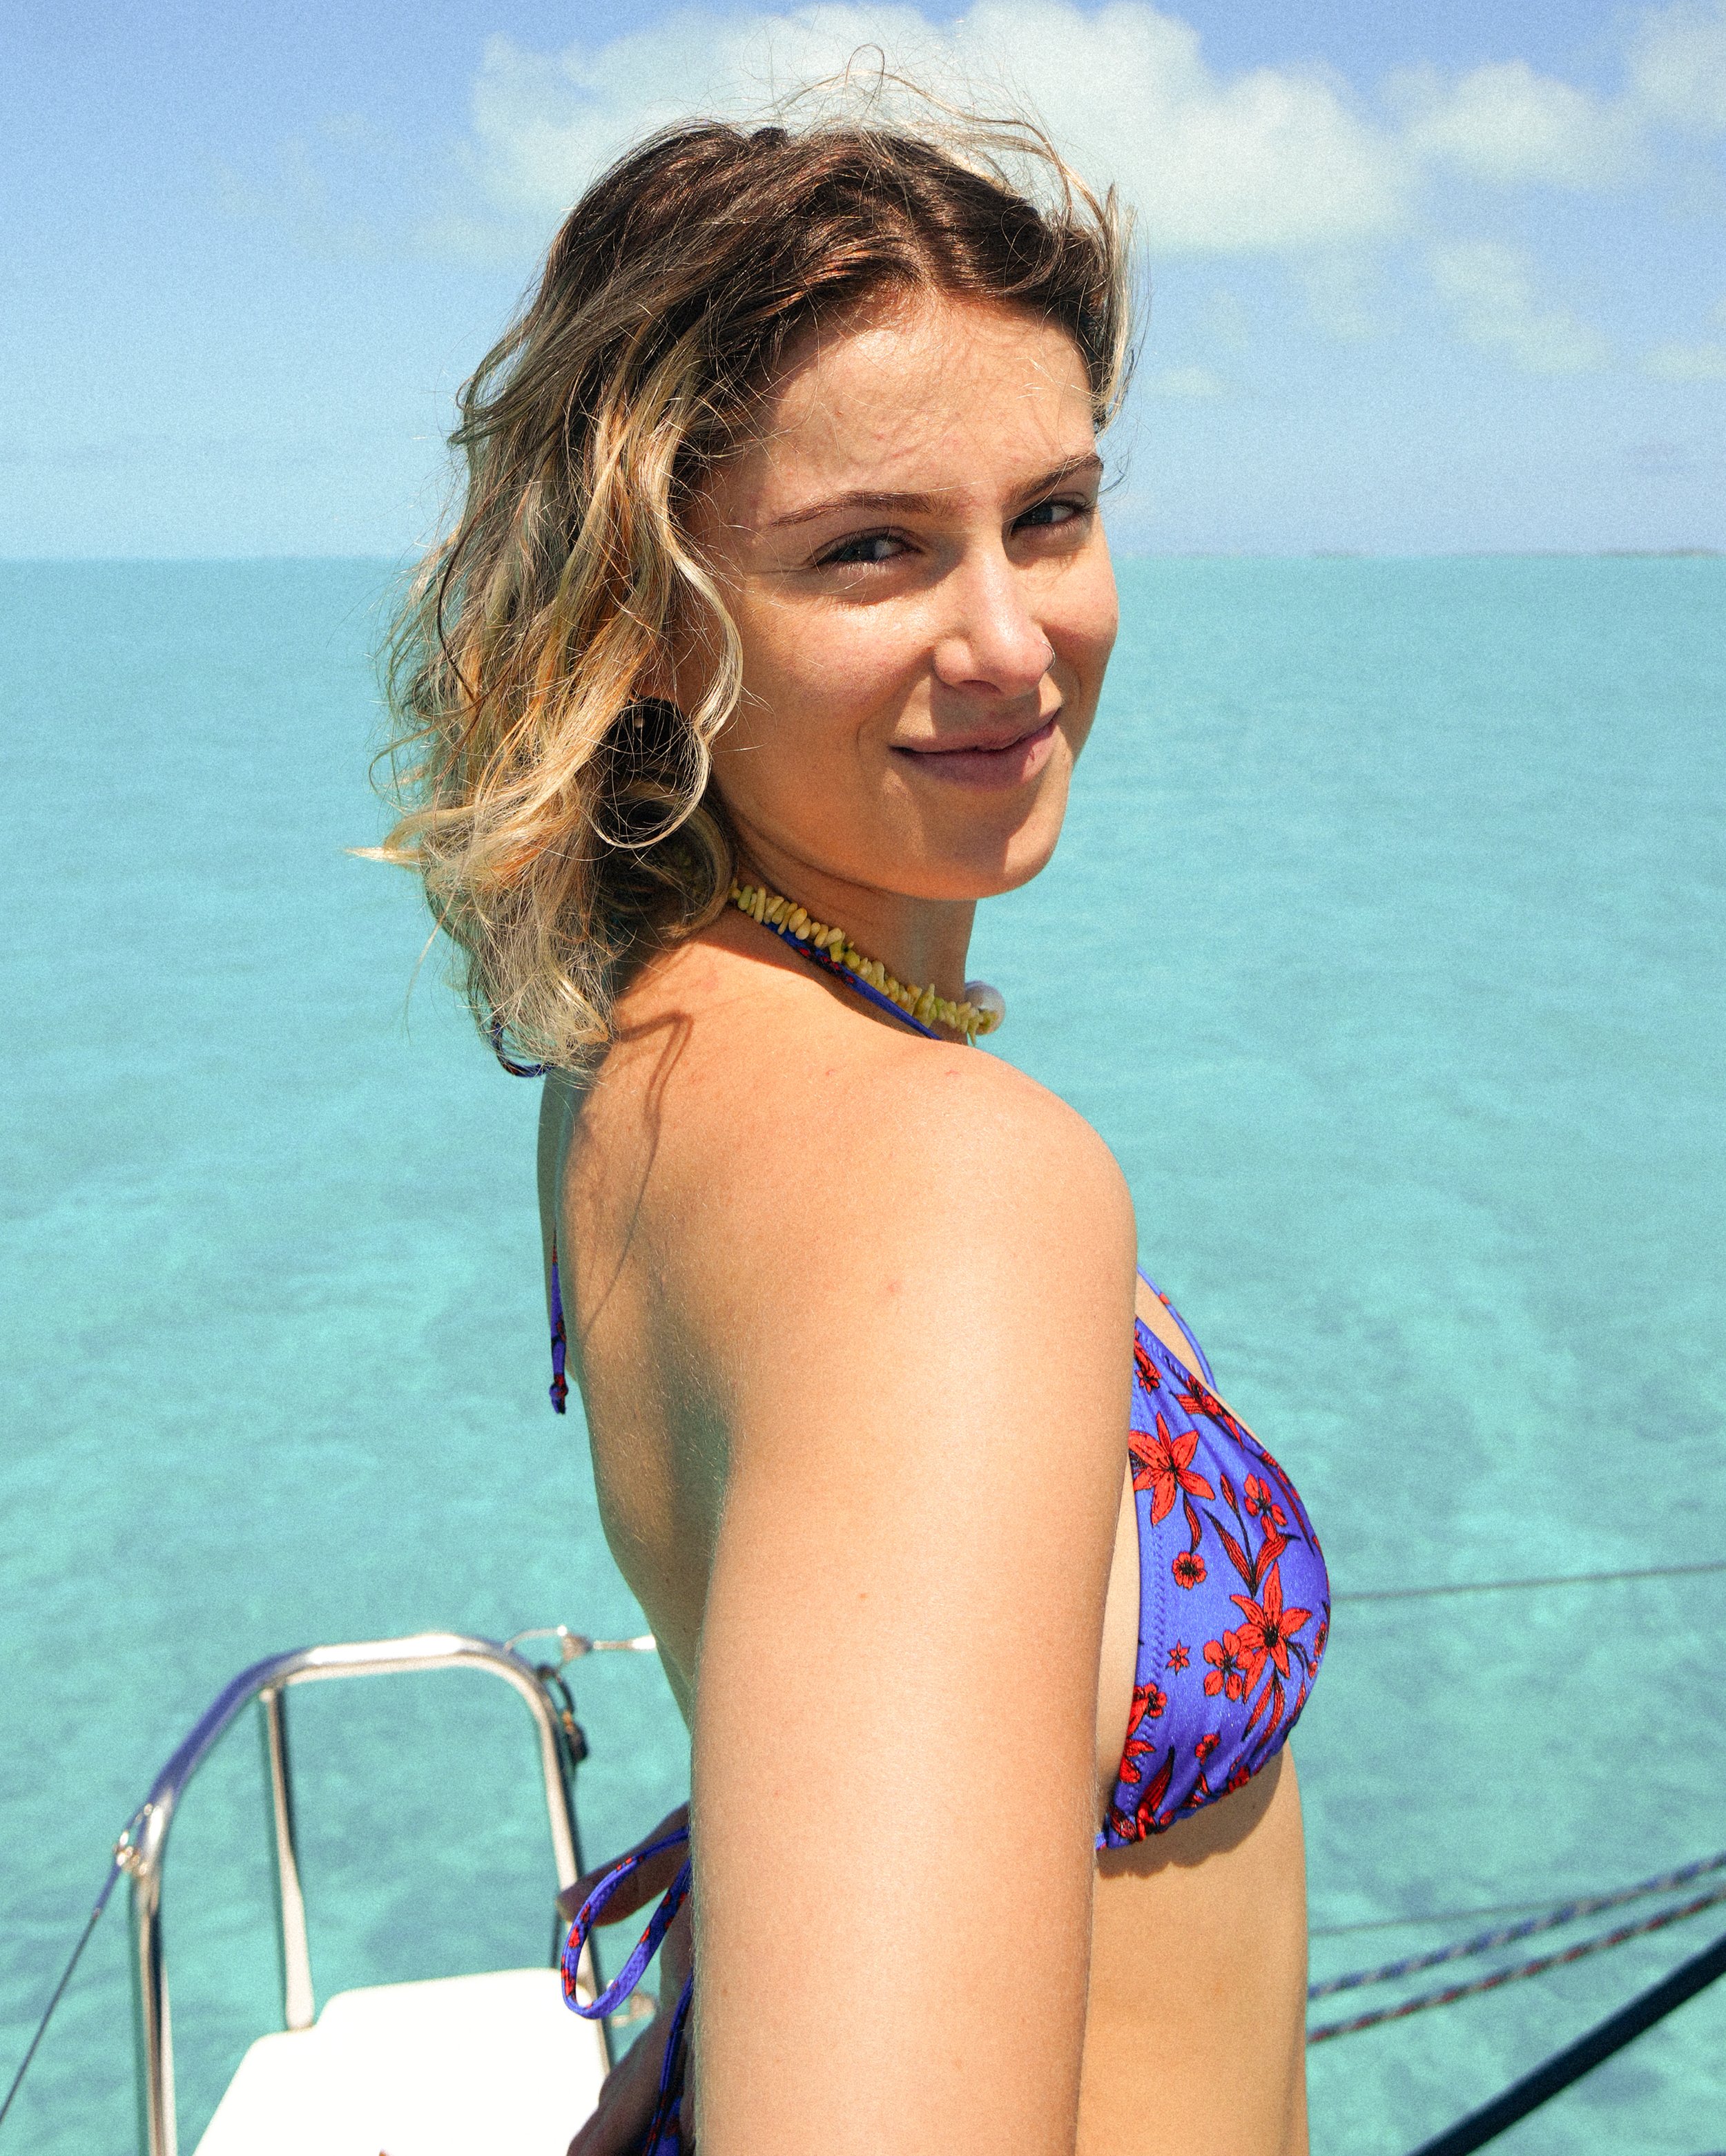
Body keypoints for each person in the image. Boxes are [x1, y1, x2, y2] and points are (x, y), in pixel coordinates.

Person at [379, 104, 1329, 2155]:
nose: (1011, 640)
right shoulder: (948, 1173)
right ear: (647, 617)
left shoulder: (643, 1050)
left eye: (1051, 515)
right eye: (871, 548)